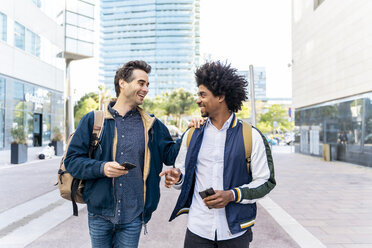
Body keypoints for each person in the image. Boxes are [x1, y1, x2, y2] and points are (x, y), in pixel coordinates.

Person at [64, 60, 186, 248]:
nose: (146, 89)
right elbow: (72, 161)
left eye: (147, 85)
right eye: (141, 83)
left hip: (133, 217)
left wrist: (191, 132)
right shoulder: (93, 120)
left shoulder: (152, 125)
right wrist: (102, 168)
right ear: (122, 83)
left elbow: (171, 155)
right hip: (99, 214)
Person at [160, 61, 276, 248]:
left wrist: (232, 195)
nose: (198, 100)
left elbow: (266, 181)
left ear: (221, 96)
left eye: (203, 94)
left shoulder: (251, 136)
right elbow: (183, 177)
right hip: (198, 230)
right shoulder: (191, 134)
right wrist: (177, 178)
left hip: (235, 232)